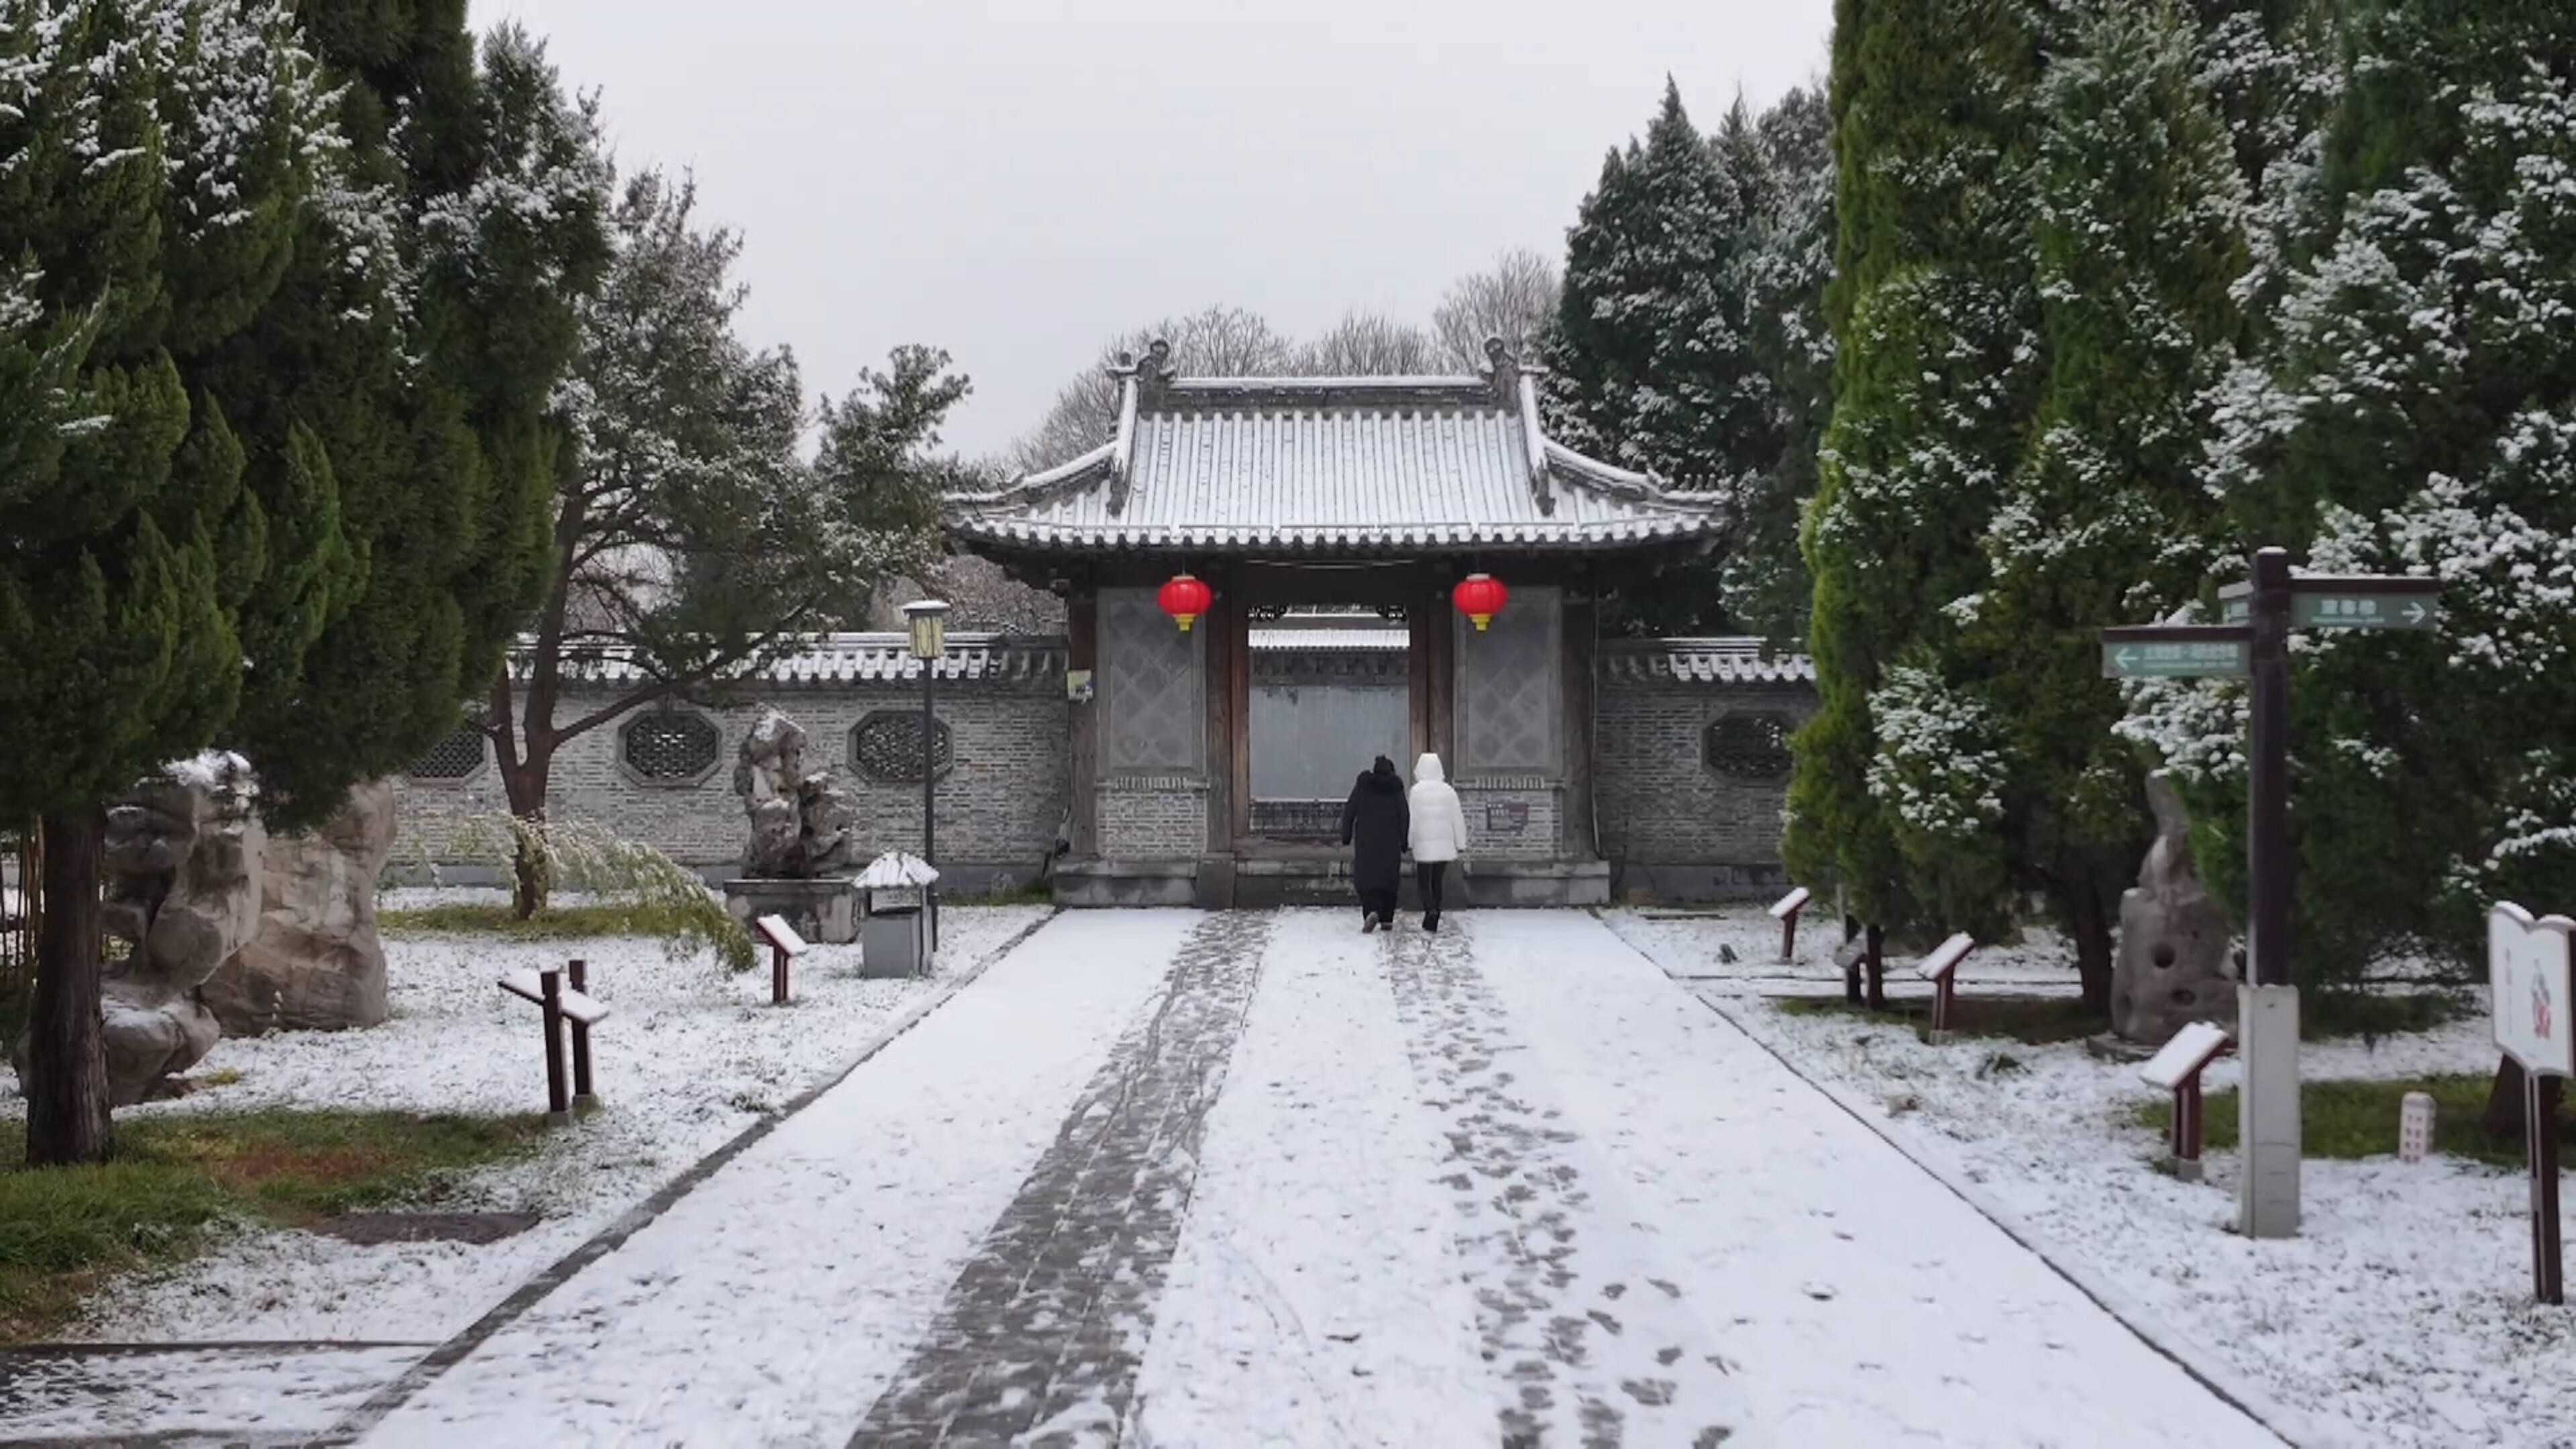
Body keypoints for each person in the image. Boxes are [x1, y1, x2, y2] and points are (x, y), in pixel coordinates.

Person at [1339, 755, 1409, 932]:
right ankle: (1387, 919)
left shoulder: (1363, 787)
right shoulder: (1396, 789)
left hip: (1366, 842)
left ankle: (1371, 911)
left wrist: (1346, 836)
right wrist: (1404, 841)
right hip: (1390, 843)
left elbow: (1349, 812)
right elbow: (1404, 816)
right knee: (1389, 882)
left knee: (1367, 881)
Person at [1407, 752, 1468, 932]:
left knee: (1423, 880)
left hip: (1423, 845)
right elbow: (1458, 819)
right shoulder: (1448, 791)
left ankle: (1430, 910)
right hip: (1444, 846)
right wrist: (1461, 843)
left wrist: (1409, 842)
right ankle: (1437, 911)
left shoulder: (1416, 792)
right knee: (1437, 880)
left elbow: (1412, 820)